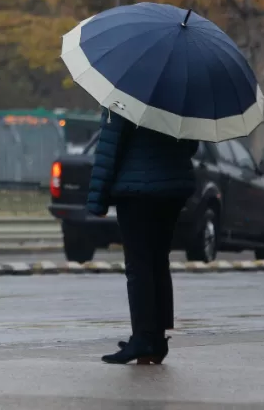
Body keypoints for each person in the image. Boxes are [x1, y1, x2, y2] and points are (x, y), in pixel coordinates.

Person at [86, 107, 199, 365]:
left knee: (138, 265)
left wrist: (97, 200)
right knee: (158, 262)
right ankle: (156, 338)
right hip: (172, 188)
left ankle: (143, 337)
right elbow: (192, 145)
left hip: (136, 191)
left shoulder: (125, 94)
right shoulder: (182, 93)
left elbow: (110, 145)